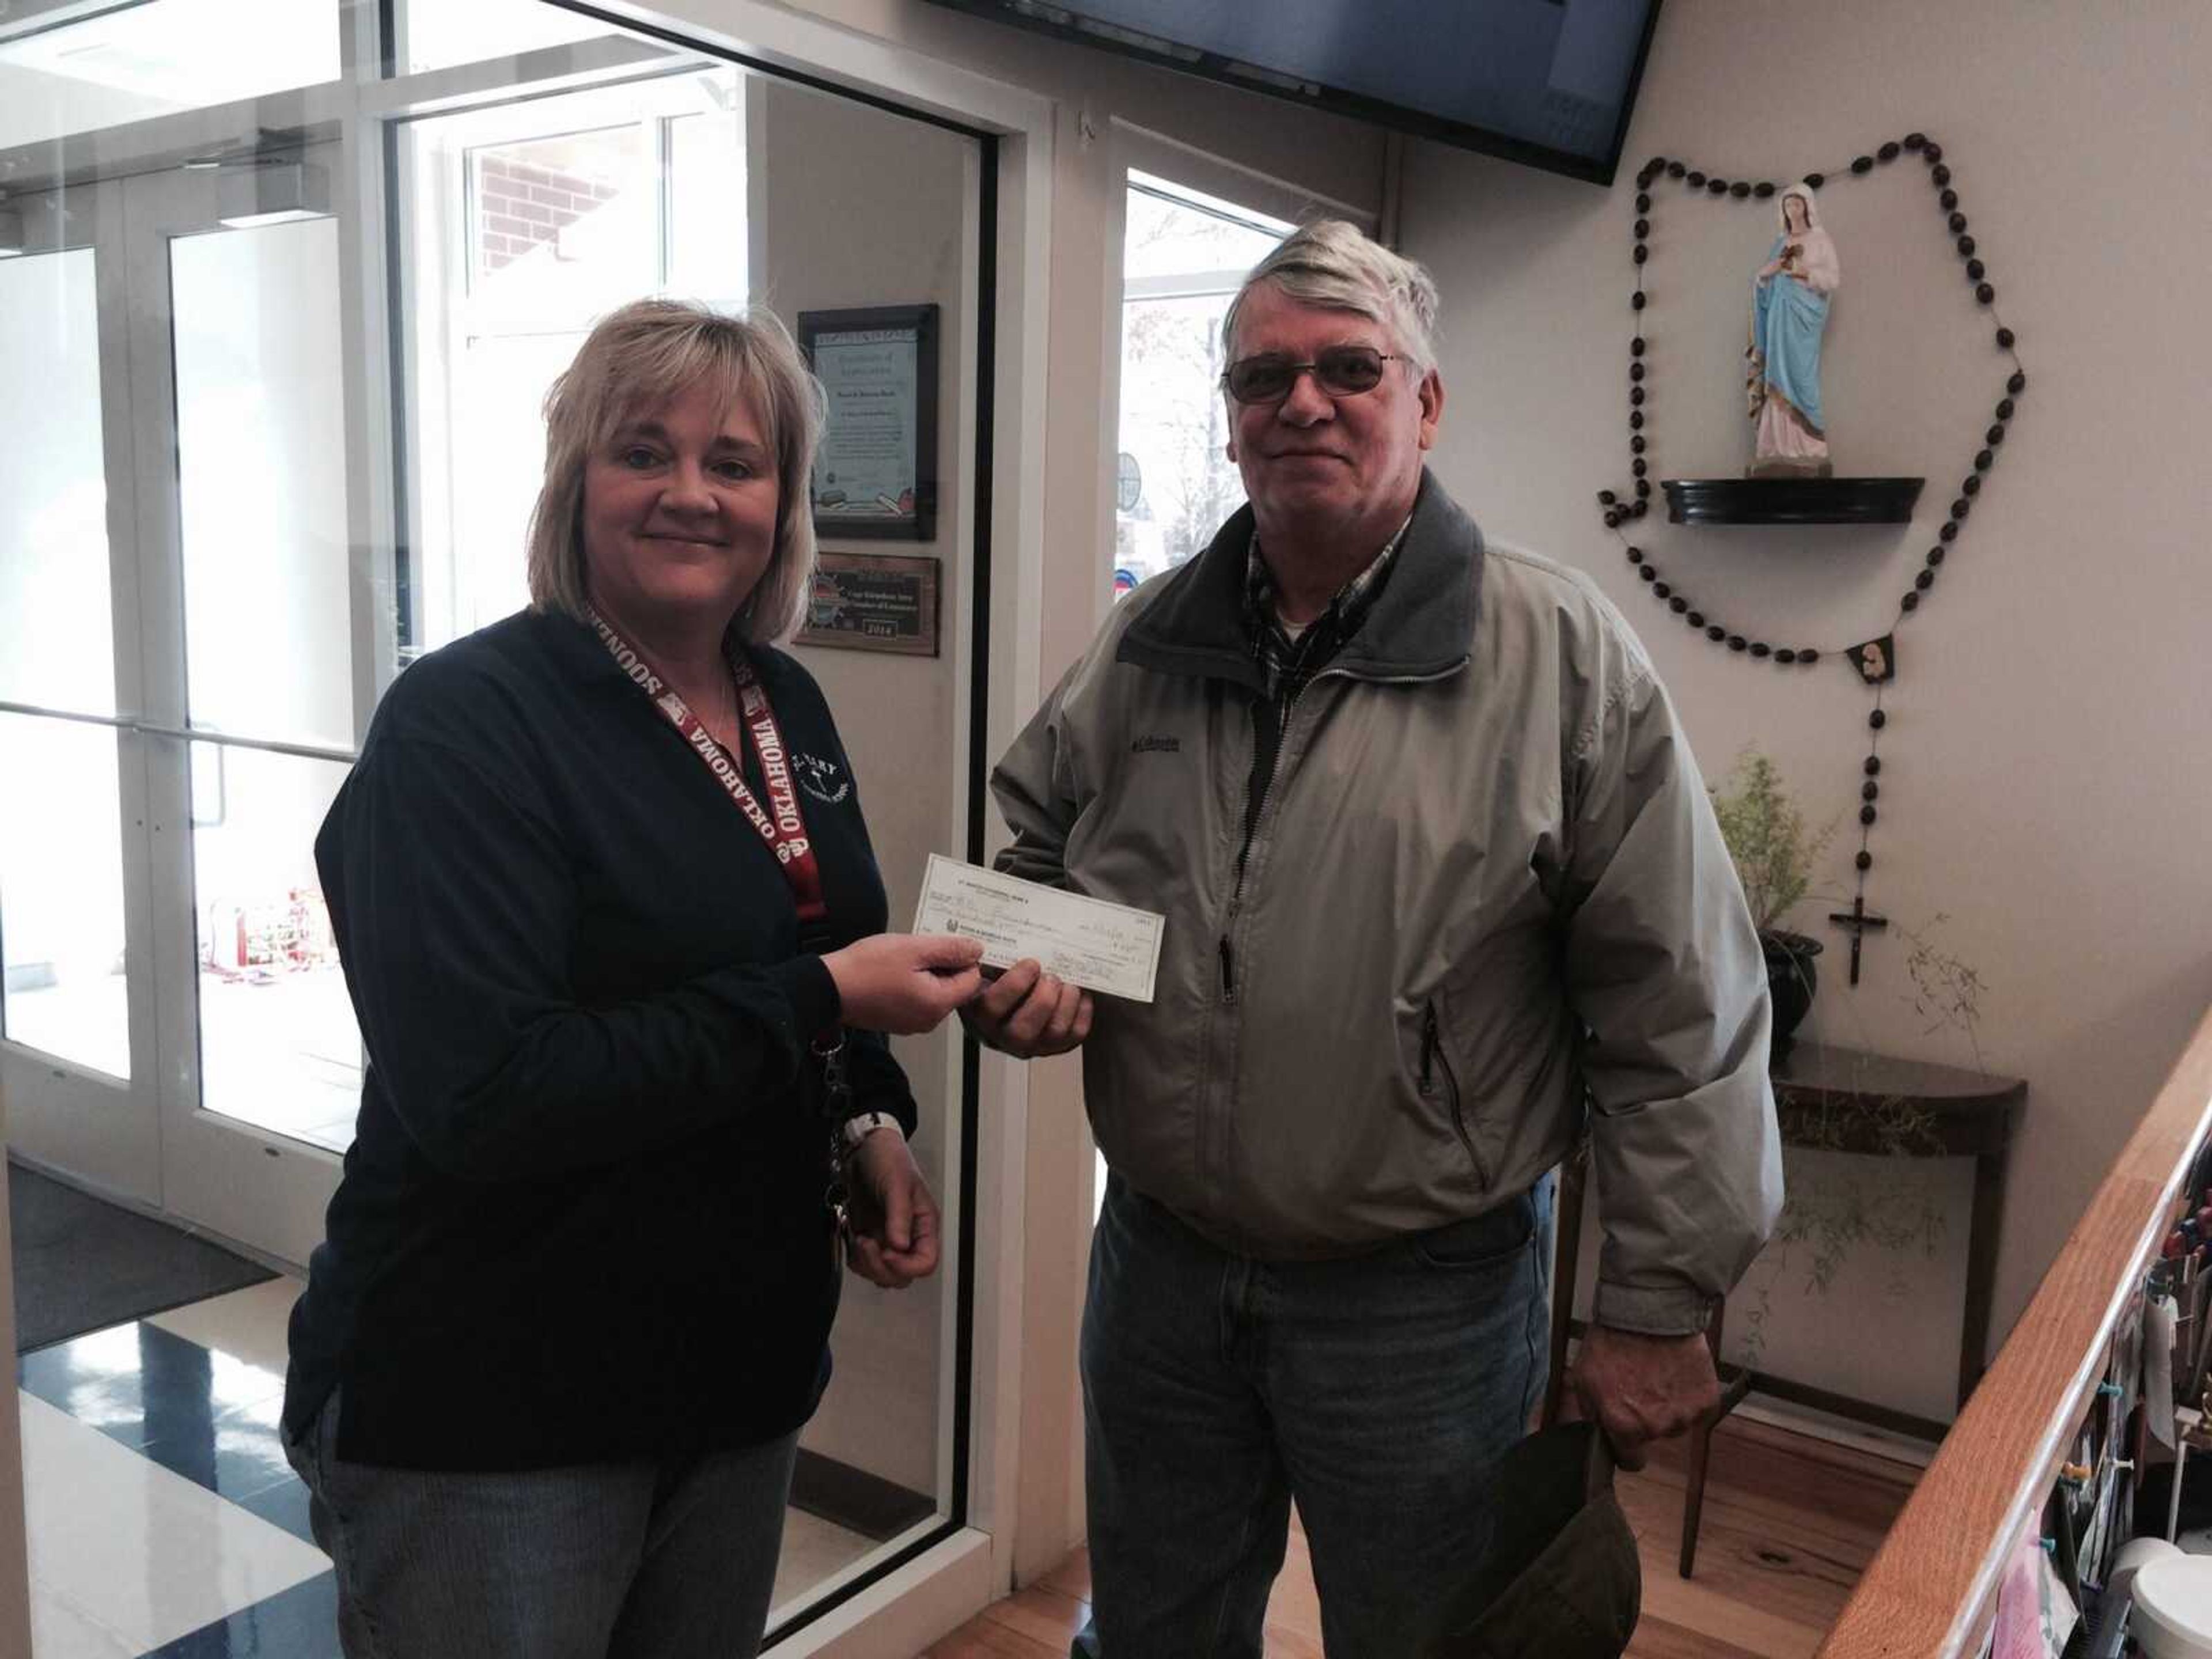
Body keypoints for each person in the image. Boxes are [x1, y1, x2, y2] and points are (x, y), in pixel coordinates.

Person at [971, 220, 1782, 1655]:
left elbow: (1682, 1004)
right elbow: (1035, 848)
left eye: (1349, 368)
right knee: (1152, 1629)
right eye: (1258, 378)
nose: (1299, 402)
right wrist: (1025, 974)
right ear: (1226, 427)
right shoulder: (1149, 636)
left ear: (1425, 403)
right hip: (1159, 1267)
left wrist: (1655, 1299)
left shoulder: (1557, 655)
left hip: (1421, 1299)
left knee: (1422, 1639)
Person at [281, 297, 984, 1658]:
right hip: (495, 1415)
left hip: (734, 1386)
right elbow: (487, 1093)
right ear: (574, 485)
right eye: (641, 452)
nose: (690, 494)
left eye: (734, 462)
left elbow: (808, 948)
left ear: (782, 503)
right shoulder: (465, 725)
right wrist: (823, 999)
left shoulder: (785, 699)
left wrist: (867, 1125)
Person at [1747, 183, 1842, 475]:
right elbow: (1763, 281)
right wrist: (1764, 276)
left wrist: (1802, 272)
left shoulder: (1820, 240)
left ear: (1807, 207)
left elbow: (1833, 279)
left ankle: (1808, 443)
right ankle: (1775, 444)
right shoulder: (1780, 242)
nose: (1793, 210)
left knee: (1802, 376)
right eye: (1788, 205)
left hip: (1804, 318)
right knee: (1777, 372)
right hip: (1779, 315)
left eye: (1797, 204)